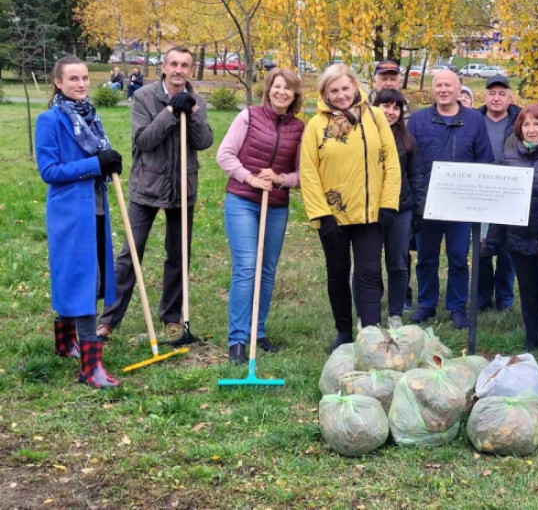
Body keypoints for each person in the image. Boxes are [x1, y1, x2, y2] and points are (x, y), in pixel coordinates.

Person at [97, 47, 214, 338]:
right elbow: (144, 140)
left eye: (185, 65)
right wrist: (171, 111)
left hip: (182, 187)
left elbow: (204, 142)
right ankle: (109, 319)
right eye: (173, 63)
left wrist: (194, 113)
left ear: (190, 69)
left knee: (178, 255)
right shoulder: (143, 97)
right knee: (130, 254)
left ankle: (172, 315)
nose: (179, 69)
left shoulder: (197, 100)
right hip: (147, 186)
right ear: (164, 66)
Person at [36, 57, 124, 388]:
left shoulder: (90, 117)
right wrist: (93, 163)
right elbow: (50, 171)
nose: (81, 83)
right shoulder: (51, 119)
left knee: (85, 274)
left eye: (85, 77)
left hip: (96, 207)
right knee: (81, 278)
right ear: (58, 82)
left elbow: (99, 158)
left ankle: (65, 342)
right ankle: (90, 367)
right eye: (73, 78)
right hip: (71, 213)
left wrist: (109, 163)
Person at [300, 64, 401, 353]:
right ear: (324, 94)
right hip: (333, 215)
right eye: (334, 90)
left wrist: (388, 204)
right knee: (338, 271)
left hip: (370, 212)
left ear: (355, 86)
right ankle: (344, 331)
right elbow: (308, 172)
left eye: (345, 88)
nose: (341, 95)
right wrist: (321, 213)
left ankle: (370, 335)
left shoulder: (375, 116)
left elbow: (391, 163)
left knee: (369, 273)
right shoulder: (316, 126)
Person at [216, 68, 305, 363]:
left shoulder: (299, 128)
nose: (281, 92)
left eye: (287, 88)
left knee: (267, 270)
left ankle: (258, 330)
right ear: (268, 90)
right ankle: (238, 339)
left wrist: (280, 179)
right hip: (242, 201)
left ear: (295, 95)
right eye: (277, 87)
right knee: (246, 266)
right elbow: (224, 155)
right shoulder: (249, 117)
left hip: (276, 205)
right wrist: (251, 178)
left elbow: (302, 174)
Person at [408, 69, 494, 329]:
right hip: (428, 204)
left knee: (458, 258)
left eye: (448, 85)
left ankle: (457, 307)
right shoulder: (418, 120)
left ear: (459, 90)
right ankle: (427, 304)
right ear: (433, 90)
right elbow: (411, 161)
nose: (443, 90)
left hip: (461, 206)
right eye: (438, 85)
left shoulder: (475, 121)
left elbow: (485, 160)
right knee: (426, 258)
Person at [487, 105, 538, 358]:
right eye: (526, 125)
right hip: (518, 239)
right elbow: (499, 200)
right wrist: (495, 239)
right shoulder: (509, 157)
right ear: (519, 129)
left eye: (537, 124)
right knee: (528, 292)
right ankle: (532, 340)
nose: (532, 130)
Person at [371, 89, 425, 329]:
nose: (390, 112)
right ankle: (368, 314)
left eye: (396, 108)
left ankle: (395, 313)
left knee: (398, 263)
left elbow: (416, 176)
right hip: (369, 209)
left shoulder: (407, 140)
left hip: (401, 209)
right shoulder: (363, 137)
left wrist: (418, 210)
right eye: (386, 106)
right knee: (368, 265)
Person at [477, 74, 521, 312]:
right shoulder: (474, 119)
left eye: (501, 93)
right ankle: (482, 296)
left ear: (509, 97)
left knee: (507, 249)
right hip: (481, 193)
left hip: (509, 193)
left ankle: (504, 298)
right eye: (492, 93)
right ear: (485, 96)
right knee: (482, 247)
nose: (496, 98)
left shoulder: (519, 120)